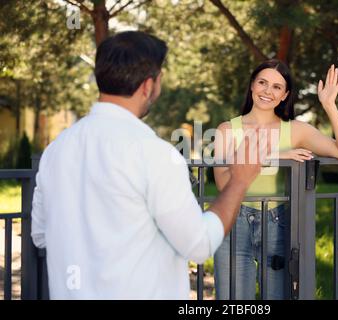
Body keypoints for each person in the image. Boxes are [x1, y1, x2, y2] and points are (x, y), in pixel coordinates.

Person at [30, 31, 263, 299]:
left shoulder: (56, 150)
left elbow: (41, 235)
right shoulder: (155, 154)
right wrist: (240, 181)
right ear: (148, 86)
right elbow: (199, 244)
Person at [213, 59, 338, 299]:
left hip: (277, 224)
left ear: (285, 95)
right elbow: (222, 182)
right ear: (252, 86)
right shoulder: (227, 130)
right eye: (262, 83)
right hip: (233, 221)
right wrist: (277, 156)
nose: (268, 91)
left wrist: (329, 105)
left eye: (277, 87)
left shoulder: (296, 130)